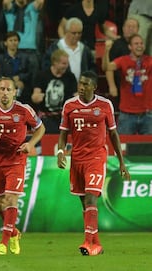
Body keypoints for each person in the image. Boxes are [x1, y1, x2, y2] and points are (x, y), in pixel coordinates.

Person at [57, 70, 130, 256]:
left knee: (91, 197)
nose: (81, 87)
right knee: (85, 204)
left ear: (94, 87)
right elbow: (64, 132)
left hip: (97, 157)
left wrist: (121, 162)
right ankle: (96, 244)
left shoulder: (105, 105)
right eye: (80, 83)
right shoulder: (69, 105)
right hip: (77, 158)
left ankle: (87, 242)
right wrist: (60, 152)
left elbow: (113, 133)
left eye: (86, 84)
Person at [0, 77, 45, 255]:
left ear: (15, 92)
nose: (5, 93)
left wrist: (31, 144)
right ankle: (13, 233)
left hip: (16, 160)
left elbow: (40, 128)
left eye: (8, 89)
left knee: (11, 199)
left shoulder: (23, 110)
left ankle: (4, 243)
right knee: (0, 205)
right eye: (2, 89)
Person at [103, 34, 152, 135]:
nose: (139, 46)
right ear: (130, 47)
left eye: (141, 43)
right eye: (136, 43)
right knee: (123, 148)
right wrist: (106, 51)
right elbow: (106, 67)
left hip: (148, 114)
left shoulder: (149, 61)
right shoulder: (123, 60)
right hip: (127, 115)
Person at [31, 49, 77, 134]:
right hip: (46, 117)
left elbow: (76, 96)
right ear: (55, 62)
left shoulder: (70, 77)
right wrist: (36, 97)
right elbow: (35, 95)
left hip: (64, 117)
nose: (66, 66)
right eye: (63, 63)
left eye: (67, 63)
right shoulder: (42, 75)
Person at [101, 18, 139, 108]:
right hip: (121, 86)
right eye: (128, 26)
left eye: (133, 27)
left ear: (138, 30)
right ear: (123, 29)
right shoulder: (117, 45)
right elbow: (108, 67)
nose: (131, 29)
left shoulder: (139, 44)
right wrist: (112, 86)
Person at [43, 17, 96, 82]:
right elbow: (47, 67)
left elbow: (92, 68)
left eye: (79, 33)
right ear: (66, 32)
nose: (77, 35)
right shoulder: (55, 48)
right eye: (74, 33)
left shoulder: (85, 49)